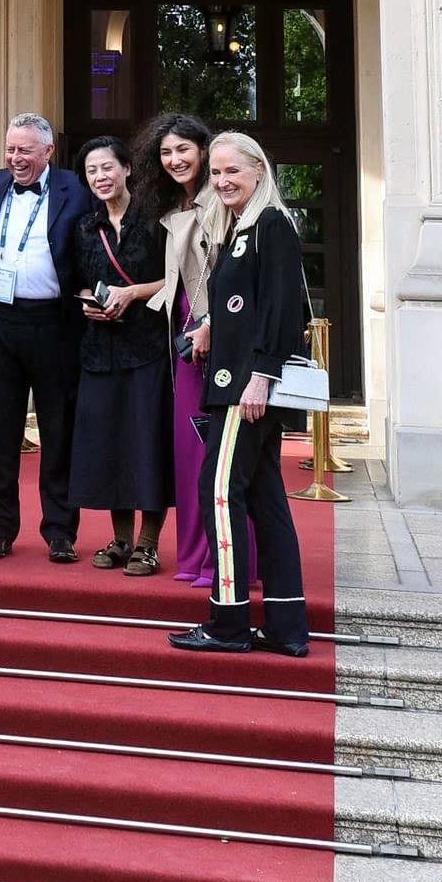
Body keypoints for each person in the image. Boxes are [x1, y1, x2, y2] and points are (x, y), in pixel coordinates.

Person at [169, 131, 310, 659]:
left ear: (258, 171)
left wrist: (261, 376)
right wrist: (207, 327)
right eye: (217, 173)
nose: (223, 181)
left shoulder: (271, 224)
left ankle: (228, 621)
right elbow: (241, 306)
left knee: (220, 491)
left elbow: (281, 310)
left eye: (233, 171)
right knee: (268, 501)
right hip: (235, 381)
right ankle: (286, 622)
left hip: (244, 389)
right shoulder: (239, 229)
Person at [0, 113, 90, 562]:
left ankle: (60, 531)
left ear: (48, 151)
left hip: (55, 324)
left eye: (25, 150)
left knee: (58, 432)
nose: (15, 158)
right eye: (10, 149)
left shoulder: (75, 189)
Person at [69, 135, 173, 574]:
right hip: (99, 350)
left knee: (145, 443)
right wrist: (91, 303)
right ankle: (120, 540)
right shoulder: (84, 227)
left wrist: (130, 294)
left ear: (127, 168)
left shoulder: (155, 219)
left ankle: (148, 543)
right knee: (109, 444)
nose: (100, 177)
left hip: (148, 349)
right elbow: (77, 281)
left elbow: (178, 278)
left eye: (107, 168)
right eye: (92, 171)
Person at [135, 112, 217, 586]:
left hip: (211, 338)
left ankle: (220, 559)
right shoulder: (176, 205)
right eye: (165, 152)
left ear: (203, 150)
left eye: (183, 149)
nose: (174, 159)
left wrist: (209, 326)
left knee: (210, 452)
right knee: (187, 452)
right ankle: (192, 558)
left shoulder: (218, 202)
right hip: (181, 341)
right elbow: (174, 283)